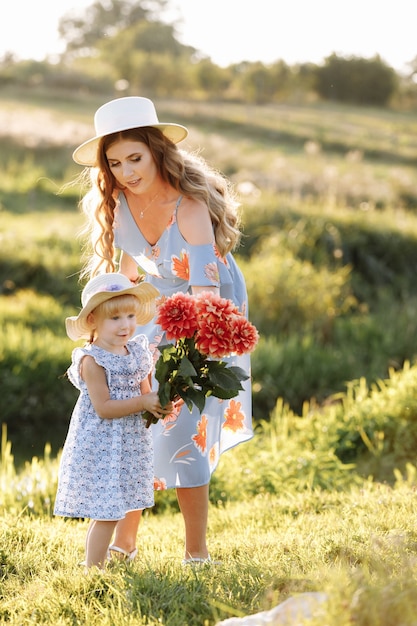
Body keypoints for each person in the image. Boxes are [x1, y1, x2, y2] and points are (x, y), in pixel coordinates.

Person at [72, 96, 254, 564]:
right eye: (115, 163)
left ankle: (197, 554)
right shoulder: (118, 201)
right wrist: (112, 326)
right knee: (139, 418)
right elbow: (131, 273)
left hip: (206, 308)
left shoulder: (189, 207)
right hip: (157, 309)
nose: (127, 171)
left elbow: (204, 293)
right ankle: (125, 544)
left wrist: (187, 354)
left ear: (156, 151)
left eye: (135, 158)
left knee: (181, 429)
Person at [54, 272, 173, 569]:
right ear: (94, 320)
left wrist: (159, 404)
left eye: (131, 316)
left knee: (119, 506)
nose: (126, 325)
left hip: (129, 443)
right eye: (115, 318)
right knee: (106, 512)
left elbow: (145, 392)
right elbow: (104, 407)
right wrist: (143, 401)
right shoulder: (92, 361)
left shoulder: (137, 351)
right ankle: (93, 569)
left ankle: (104, 561)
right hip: (102, 443)